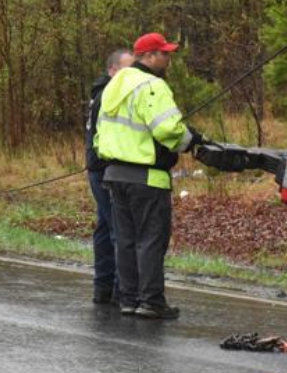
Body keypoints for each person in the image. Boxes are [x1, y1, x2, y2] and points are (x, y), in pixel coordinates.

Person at [94, 32, 206, 319]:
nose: (168, 59)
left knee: (127, 241)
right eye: (164, 53)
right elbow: (167, 129)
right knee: (151, 240)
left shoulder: (113, 85)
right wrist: (191, 140)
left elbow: (100, 133)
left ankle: (128, 299)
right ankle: (152, 301)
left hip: (115, 174)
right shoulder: (152, 85)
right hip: (146, 175)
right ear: (148, 56)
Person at [85, 48, 134, 305]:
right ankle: (118, 290)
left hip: (97, 167)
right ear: (112, 70)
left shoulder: (100, 93)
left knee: (105, 226)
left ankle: (102, 287)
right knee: (117, 228)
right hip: (103, 168)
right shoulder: (108, 95)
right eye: (127, 69)